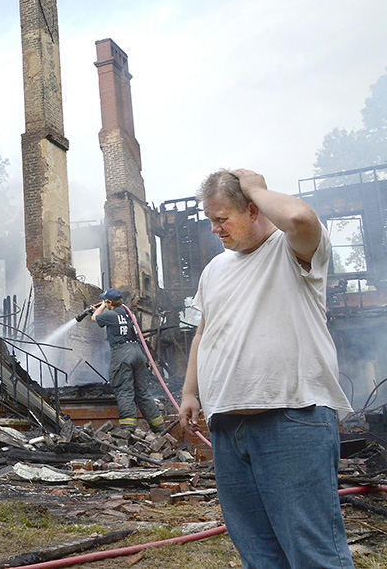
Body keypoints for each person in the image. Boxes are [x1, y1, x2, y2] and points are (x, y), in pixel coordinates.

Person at [178, 168, 354, 568]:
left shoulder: (292, 249)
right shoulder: (215, 270)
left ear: (254, 209)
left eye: (222, 219)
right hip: (228, 428)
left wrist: (255, 186)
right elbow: (204, 332)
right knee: (258, 554)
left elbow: (301, 218)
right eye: (211, 221)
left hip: (293, 419)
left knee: (314, 553)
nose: (215, 230)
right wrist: (191, 393)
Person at [91, 288, 165, 433]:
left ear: (109, 302)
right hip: (137, 352)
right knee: (142, 392)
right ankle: (159, 427)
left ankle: (128, 429)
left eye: (105, 301)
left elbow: (95, 318)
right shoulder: (129, 314)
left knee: (124, 390)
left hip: (122, 353)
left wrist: (101, 307)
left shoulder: (110, 314)